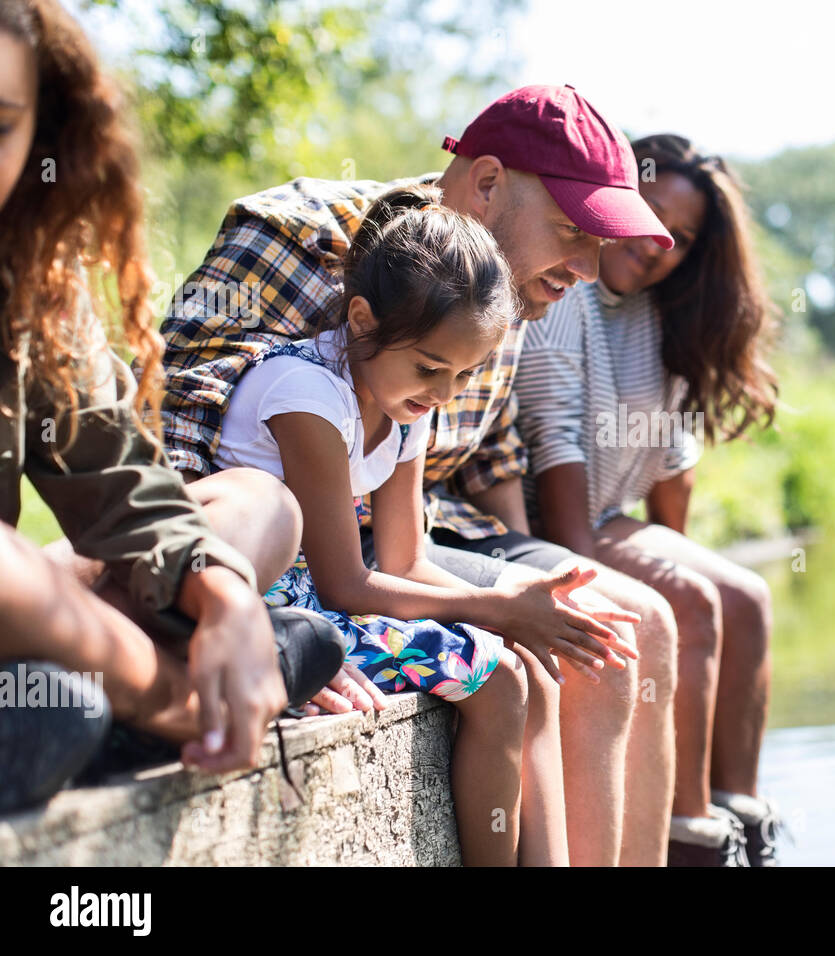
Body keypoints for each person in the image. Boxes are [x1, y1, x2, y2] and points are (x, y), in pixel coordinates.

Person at [152, 85, 683, 865]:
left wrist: (535, 594)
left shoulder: (500, 301)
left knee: (634, 629)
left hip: (404, 544)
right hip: (274, 559)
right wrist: (234, 613)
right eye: (574, 231)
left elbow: (481, 461)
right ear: (489, 182)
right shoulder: (301, 238)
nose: (587, 269)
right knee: (559, 654)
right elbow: (170, 418)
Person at [211, 184, 636, 864]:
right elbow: (347, 583)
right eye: (431, 368)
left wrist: (519, 615)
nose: (441, 395)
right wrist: (497, 604)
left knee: (530, 667)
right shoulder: (305, 396)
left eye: (463, 377)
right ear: (360, 318)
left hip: (320, 599)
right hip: (263, 605)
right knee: (495, 681)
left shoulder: (403, 402)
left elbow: (406, 560)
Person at [0, 0, 343, 814]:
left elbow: (120, 477)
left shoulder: (25, 279)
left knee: (257, 505)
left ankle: (78, 697)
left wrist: (219, 595)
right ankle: (170, 702)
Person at [515, 134, 782, 865]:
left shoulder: (668, 315)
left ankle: (745, 829)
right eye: (649, 213)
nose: (658, 241)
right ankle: (691, 837)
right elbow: (556, 441)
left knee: (746, 597)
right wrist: (598, 577)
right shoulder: (568, 294)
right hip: (544, 521)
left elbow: (674, 468)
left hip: (610, 516)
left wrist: (678, 556)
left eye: (683, 237)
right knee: (689, 604)